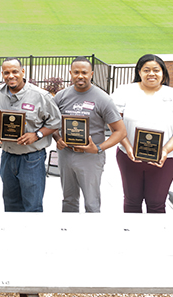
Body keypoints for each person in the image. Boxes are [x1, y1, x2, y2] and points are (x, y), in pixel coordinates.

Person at [111, 54, 173, 213]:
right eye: (146, 70)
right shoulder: (125, 91)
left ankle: (155, 237)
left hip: (164, 160)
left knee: (156, 203)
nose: (151, 74)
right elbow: (114, 123)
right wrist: (127, 146)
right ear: (139, 72)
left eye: (156, 70)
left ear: (163, 73)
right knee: (131, 202)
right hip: (129, 156)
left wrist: (165, 150)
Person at [51, 57, 127, 213]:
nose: (80, 76)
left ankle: (92, 234)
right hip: (66, 154)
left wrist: (98, 148)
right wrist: (58, 138)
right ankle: (68, 232)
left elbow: (120, 131)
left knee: (91, 203)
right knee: (69, 199)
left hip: (90, 157)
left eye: (84, 72)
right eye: (76, 72)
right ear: (70, 73)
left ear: (91, 74)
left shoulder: (102, 99)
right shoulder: (61, 96)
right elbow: (50, 123)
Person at [0, 58, 62, 212]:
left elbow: (56, 121)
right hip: (7, 156)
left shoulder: (40, 96)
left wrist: (38, 134)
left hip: (32, 158)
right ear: (2, 74)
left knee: (32, 207)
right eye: (6, 72)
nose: (11, 76)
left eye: (15, 71)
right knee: (11, 205)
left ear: (23, 72)